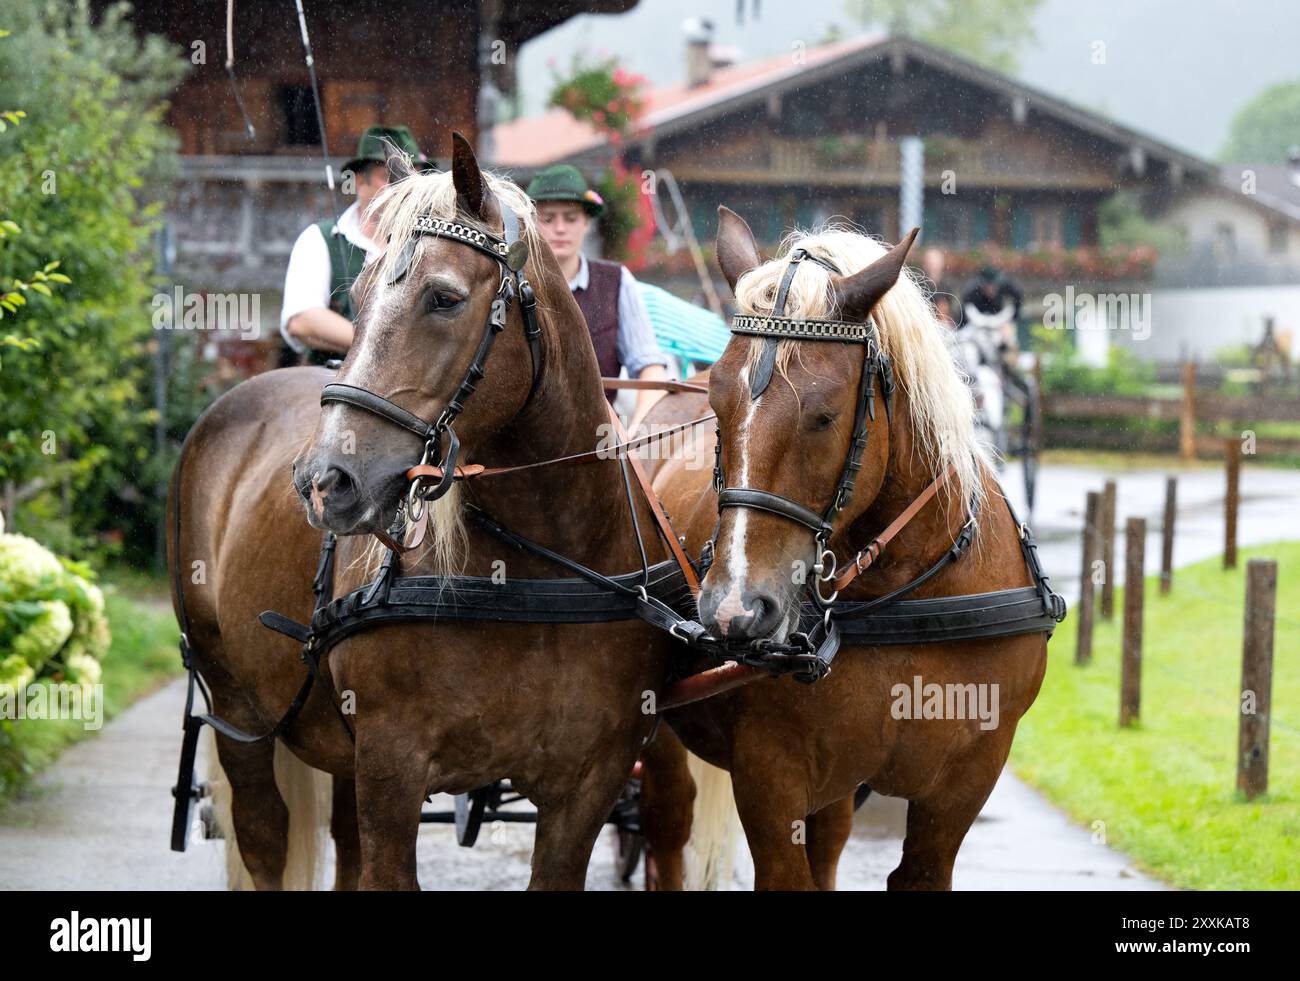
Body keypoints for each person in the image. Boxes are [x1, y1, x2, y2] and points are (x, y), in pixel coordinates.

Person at [526, 164, 669, 427]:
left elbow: (651, 371)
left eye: (570, 218)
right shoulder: (513, 283)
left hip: (597, 447)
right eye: (548, 218)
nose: (560, 228)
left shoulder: (617, 282)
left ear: (587, 223)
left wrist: (637, 432)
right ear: (531, 222)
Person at [280, 125, 430, 365]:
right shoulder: (320, 239)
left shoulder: (431, 245)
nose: (406, 189)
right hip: (331, 388)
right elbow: (302, 320)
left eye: (413, 178)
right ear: (360, 181)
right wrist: (384, 343)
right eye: (391, 177)